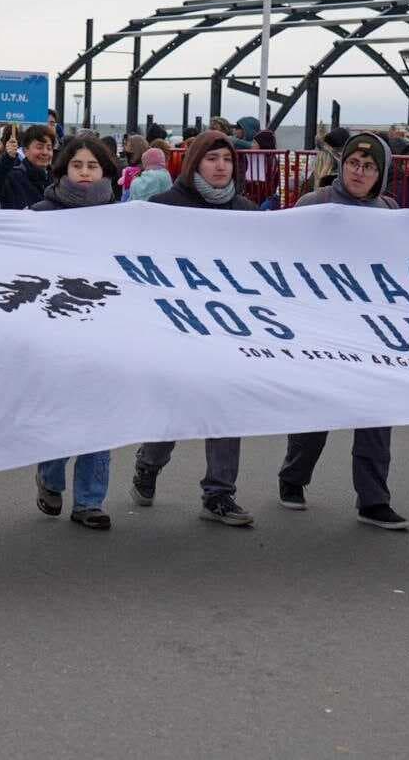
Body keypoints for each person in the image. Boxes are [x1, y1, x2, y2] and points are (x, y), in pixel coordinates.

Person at [276, 132, 409, 530]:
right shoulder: (313, 204)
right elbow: (282, 257)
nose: (359, 172)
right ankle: (293, 477)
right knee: (315, 414)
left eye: (369, 167)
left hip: (373, 330)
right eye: (353, 163)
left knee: (375, 415)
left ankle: (373, 500)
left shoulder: (390, 211)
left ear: (380, 174)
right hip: (321, 327)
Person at [131, 131, 258, 527]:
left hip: (230, 327)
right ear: (195, 163)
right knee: (178, 406)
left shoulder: (247, 212)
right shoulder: (164, 206)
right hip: (178, 325)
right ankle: (149, 462)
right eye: (212, 158)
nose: (221, 166)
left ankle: (219, 493)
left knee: (226, 407)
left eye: (227, 159)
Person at [29, 137, 120, 529]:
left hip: (107, 332)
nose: (85, 172)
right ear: (63, 169)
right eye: (77, 165)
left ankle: (89, 501)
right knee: (63, 414)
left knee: (101, 417)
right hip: (57, 330)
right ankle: (49, 476)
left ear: (105, 171)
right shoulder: (40, 215)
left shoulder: (124, 219)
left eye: (93, 166)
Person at [0, 124, 54, 210]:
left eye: (49, 148)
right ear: (25, 150)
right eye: (39, 147)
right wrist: (7, 159)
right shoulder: (13, 177)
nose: (45, 152)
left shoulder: (57, 180)